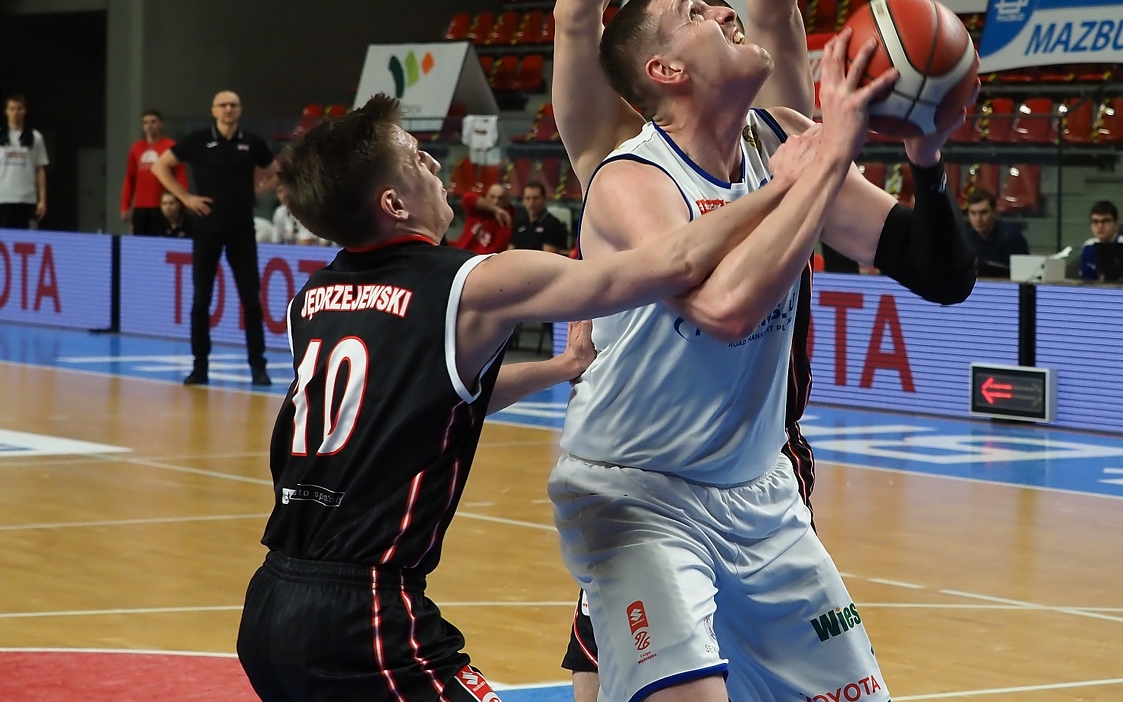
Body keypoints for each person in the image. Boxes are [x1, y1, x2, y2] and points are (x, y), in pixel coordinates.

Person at [235, 39, 874, 700]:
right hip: (365, 612)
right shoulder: (473, 282)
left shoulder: (312, 300)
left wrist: (561, 366)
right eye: (417, 159)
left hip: (270, 602)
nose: (435, 163)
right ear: (394, 204)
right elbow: (671, 265)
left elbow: (421, 406)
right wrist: (786, 184)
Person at [548, 0, 977, 702]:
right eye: (698, 15)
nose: (725, 13)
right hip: (639, 482)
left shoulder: (778, 137)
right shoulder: (624, 165)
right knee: (638, 681)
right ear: (663, 71)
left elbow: (939, 271)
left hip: (758, 477)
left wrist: (926, 161)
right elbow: (580, 19)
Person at [153, 91, 279, 387]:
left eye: (233, 105)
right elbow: (160, 166)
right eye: (223, 105)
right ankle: (200, 366)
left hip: (241, 229)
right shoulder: (198, 141)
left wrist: (255, 192)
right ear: (213, 110)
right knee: (201, 299)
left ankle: (258, 367)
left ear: (240, 110)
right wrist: (186, 198)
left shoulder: (253, 143)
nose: (228, 109)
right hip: (207, 227)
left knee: (251, 299)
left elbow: (278, 173)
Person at [121, 109, 186, 236]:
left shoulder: (171, 146)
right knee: (138, 243)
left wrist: (183, 204)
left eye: (153, 122)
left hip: (164, 207)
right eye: (145, 123)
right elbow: (130, 179)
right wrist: (125, 206)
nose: (149, 126)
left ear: (161, 124)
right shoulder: (136, 148)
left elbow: (180, 176)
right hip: (141, 207)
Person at [0, 94, 47, 229]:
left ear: (24, 111)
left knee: (25, 236)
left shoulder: (35, 137)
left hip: (26, 198)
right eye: (12, 109)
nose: (15, 112)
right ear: (6, 111)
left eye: (19, 109)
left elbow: (40, 169)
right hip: (3, 197)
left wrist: (42, 200)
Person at [965, 188, 1027, 277]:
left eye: (983, 213)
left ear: (994, 213)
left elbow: (1020, 275)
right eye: (973, 213)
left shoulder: (1012, 239)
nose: (978, 219)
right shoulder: (966, 238)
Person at [1080, 199, 1123, 281]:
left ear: (1116, 224)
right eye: (1095, 222)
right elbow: (1085, 279)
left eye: (1105, 221)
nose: (1100, 226)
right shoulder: (1088, 246)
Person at [455, 182, 514, 254]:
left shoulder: (505, 223)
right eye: (492, 197)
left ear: (506, 201)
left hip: (479, 259)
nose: (495, 201)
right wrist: (496, 210)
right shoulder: (477, 211)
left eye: (500, 198)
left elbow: (495, 251)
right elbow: (467, 197)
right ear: (486, 196)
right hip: (460, 254)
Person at [511, 181, 566, 253]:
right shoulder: (519, 223)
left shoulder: (552, 224)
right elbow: (510, 251)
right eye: (527, 198)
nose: (531, 203)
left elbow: (548, 255)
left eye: (535, 198)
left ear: (544, 199)